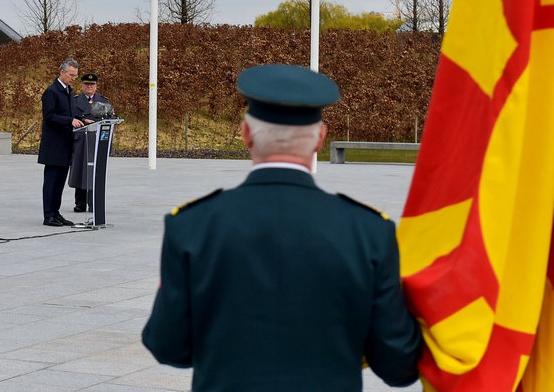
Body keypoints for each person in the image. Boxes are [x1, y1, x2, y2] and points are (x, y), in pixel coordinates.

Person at [142, 64, 422, 390]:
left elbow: (168, 345)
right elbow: (398, 364)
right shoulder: (370, 232)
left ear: (246, 134)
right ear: (320, 138)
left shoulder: (191, 226)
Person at [38, 58, 84, 227]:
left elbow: (71, 113)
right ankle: (48, 214)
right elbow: (49, 117)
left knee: (60, 181)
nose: (73, 78)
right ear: (62, 72)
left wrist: (81, 120)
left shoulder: (69, 91)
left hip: (66, 144)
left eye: (76, 76)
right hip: (53, 145)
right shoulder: (52, 91)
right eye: (71, 75)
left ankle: (55, 213)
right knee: (51, 181)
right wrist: (69, 121)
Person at [69, 72, 111, 213]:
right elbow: (70, 118)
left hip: (97, 140)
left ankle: (93, 202)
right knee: (80, 170)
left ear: (96, 87)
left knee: (95, 172)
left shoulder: (104, 101)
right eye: (86, 84)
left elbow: (109, 121)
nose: (89, 87)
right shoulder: (74, 101)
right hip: (81, 140)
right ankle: (80, 202)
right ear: (81, 86)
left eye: (92, 85)